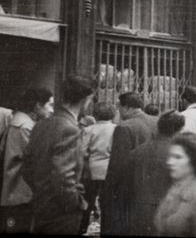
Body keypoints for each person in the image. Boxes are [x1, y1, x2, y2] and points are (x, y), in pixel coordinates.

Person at [21, 75, 97, 235]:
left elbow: (27, 167)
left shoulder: (41, 125)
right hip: (61, 212)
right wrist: (77, 203)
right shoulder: (69, 129)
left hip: (41, 206)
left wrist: (41, 191)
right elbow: (63, 177)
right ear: (87, 98)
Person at [101, 92, 158, 236]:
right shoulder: (156, 122)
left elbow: (117, 165)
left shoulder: (124, 127)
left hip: (130, 190)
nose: (118, 111)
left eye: (119, 107)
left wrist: (108, 190)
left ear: (126, 107)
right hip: (153, 187)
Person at [0, 88, 53, 234]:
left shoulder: (20, 122)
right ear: (38, 105)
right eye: (50, 105)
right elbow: (36, 160)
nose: (52, 110)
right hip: (20, 194)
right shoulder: (25, 127)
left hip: (17, 193)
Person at [126, 109, 185, 236]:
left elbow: (126, 187)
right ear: (179, 130)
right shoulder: (179, 155)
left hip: (138, 214)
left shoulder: (136, 152)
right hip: (168, 215)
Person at [154, 132, 196, 237]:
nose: (170, 162)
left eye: (178, 157)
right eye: (170, 156)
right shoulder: (176, 187)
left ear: (194, 161)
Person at [78, 102, 117, 235]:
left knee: (88, 201)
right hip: (110, 170)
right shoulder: (117, 129)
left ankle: (82, 229)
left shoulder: (88, 130)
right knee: (108, 203)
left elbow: (82, 151)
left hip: (91, 171)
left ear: (95, 114)